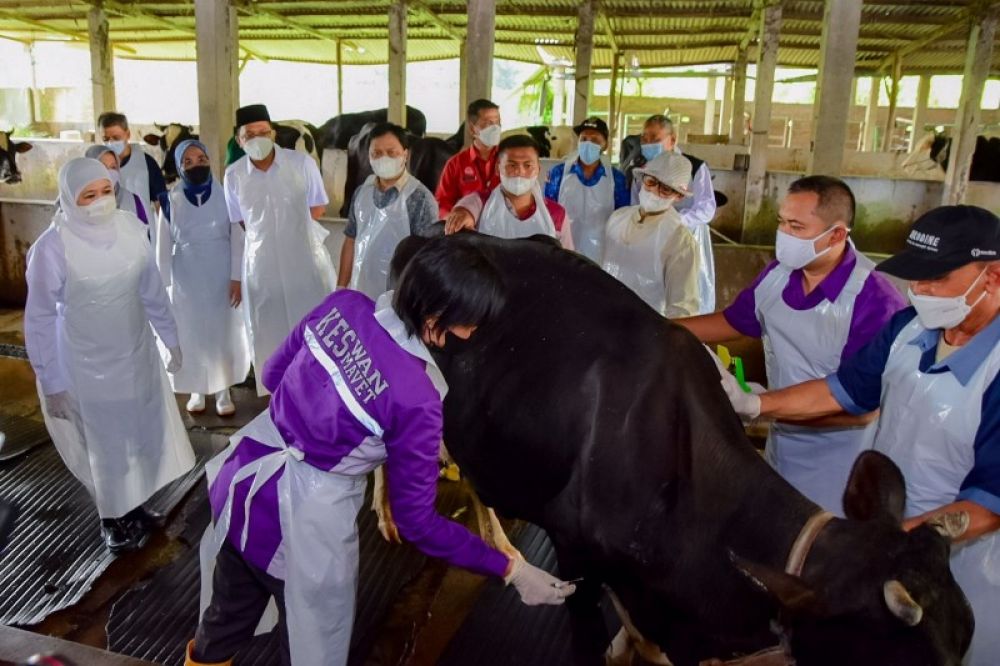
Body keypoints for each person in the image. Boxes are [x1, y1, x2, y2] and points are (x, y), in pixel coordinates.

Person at [187, 237, 575, 666]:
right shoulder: (417, 399)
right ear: (435, 317)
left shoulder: (344, 305)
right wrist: (512, 570)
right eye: (470, 322)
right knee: (309, 647)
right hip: (307, 527)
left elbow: (273, 373)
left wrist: (313, 414)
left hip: (244, 482)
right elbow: (417, 522)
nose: (473, 333)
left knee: (223, 621)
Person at [721, 206, 1000, 666]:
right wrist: (756, 404)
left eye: (935, 279)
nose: (919, 290)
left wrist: (883, 547)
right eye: (915, 277)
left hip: (965, 568)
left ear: (990, 276)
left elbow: (990, 503)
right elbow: (844, 390)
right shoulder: (909, 329)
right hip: (889, 545)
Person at [677, 176, 906, 514]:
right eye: (782, 222)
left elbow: (863, 410)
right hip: (779, 441)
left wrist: (761, 405)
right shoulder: (778, 274)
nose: (783, 234)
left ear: (838, 234)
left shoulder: (874, 301)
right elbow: (733, 321)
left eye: (796, 226)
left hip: (841, 462)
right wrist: (658, 326)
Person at [24, 157, 193, 554]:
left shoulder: (130, 230)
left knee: (135, 433)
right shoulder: (52, 248)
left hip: (134, 353)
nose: (100, 201)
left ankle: (132, 506)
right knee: (103, 443)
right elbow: (40, 320)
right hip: (84, 363)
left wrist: (170, 338)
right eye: (88, 195)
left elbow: (151, 289)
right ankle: (110, 518)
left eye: (105, 192)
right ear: (69, 199)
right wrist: (51, 380)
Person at [223, 103, 336, 396]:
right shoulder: (234, 175)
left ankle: (319, 393)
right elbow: (238, 223)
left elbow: (318, 206)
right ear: (239, 140)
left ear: (272, 133)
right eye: (250, 134)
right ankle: (278, 400)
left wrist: (291, 235)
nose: (258, 138)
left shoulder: (301, 164)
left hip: (305, 261)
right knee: (269, 332)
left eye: (263, 132)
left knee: (311, 325)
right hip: (261, 267)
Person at [154, 139, 251, 416]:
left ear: (210, 161)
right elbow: (162, 249)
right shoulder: (169, 201)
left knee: (222, 332)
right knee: (192, 332)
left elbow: (237, 238)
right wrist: (163, 288)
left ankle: (223, 391)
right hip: (187, 278)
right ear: (179, 167)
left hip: (221, 274)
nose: (196, 165)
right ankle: (197, 389)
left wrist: (236, 278)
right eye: (188, 161)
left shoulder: (228, 196)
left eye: (201, 159)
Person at [627, 115, 717, 313]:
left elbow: (706, 208)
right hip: (651, 240)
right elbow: (635, 207)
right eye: (644, 138)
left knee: (688, 293)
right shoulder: (641, 171)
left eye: (655, 138)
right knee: (653, 295)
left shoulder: (695, 167)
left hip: (688, 238)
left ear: (673, 140)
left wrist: (674, 221)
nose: (648, 143)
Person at [338, 122, 438, 298]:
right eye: (376, 153)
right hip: (361, 291)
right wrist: (341, 287)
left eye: (392, 153)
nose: (384, 158)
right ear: (368, 156)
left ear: (405, 155)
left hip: (399, 297)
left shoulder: (419, 198)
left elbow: (428, 257)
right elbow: (350, 240)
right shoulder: (362, 191)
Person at [601, 152, 700, 318]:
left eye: (666, 189)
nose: (654, 191)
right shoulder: (617, 218)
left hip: (647, 330)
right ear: (642, 179)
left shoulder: (680, 240)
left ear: (679, 196)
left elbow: (682, 308)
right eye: (651, 182)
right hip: (605, 319)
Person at [443, 135, 574, 249]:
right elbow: (465, 209)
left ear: (538, 169)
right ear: (497, 168)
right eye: (512, 165)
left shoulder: (557, 215)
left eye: (528, 165)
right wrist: (462, 214)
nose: (520, 172)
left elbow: (568, 261)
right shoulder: (481, 203)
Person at [543, 117, 629, 262]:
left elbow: (622, 218)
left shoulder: (616, 179)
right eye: (584, 139)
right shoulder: (558, 174)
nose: (588, 144)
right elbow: (548, 212)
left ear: (605, 145)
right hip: (564, 252)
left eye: (595, 140)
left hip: (602, 255)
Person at [435, 99, 502, 218]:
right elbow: (443, 203)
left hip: (499, 228)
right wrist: (454, 220)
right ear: (472, 129)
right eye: (488, 123)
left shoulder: (508, 160)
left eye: (497, 123)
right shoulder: (455, 164)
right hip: (467, 231)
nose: (495, 128)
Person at [98, 111, 167, 221]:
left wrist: (165, 233)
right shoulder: (96, 165)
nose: (111, 143)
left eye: (116, 137)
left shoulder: (146, 163)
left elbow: (161, 205)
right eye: (106, 139)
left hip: (142, 231)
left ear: (128, 134)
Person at [83, 145, 150, 227]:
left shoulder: (134, 201)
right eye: (103, 166)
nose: (109, 172)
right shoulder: (81, 200)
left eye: (113, 167)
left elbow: (145, 234)